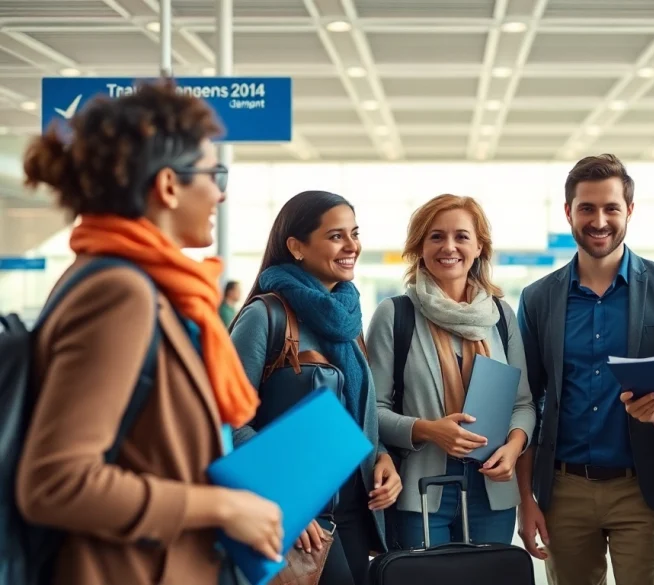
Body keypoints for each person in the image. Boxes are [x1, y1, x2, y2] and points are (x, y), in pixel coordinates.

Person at [15, 78, 282, 585]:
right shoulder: (120, 292)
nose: (219, 193)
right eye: (212, 173)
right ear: (167, 186)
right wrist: (220, 506)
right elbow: (56, 481)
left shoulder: (146, 285)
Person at [515, 154, 654, 585]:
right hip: (563, 491)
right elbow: (527, 402)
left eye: (611, 207)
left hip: (643, 489)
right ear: (569, 213)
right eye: (587, 208)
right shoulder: (539, 298)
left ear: (629, 211)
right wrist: (526, 500)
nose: (599, 220)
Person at [230, 190, 399, 585]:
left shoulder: (347, 319)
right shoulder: (266, 315)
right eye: (336, 236)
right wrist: (285, 500)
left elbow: (356, 410)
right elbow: (224, 420)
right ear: (296, 247)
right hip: (295, 515)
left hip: (354, 511)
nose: (352, 246)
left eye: (354, 234)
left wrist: (383, 457)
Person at [367, 194, 536, 549]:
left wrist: (515, 446)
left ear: (479, 247)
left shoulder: (501, 316)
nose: (449, 247)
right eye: (436, 236)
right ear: (419, 248)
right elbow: (371, 413)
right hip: (421, 493)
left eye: (461, 236)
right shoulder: (396, 314)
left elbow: (523, 404)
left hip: (492, 493)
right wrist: (428, 430)